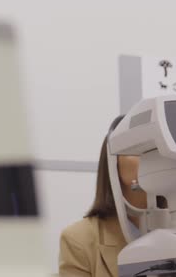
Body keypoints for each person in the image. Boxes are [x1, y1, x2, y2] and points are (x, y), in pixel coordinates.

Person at [59, 115, 146, 277]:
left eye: (154, 150)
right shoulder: (79, 239)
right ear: (112, 163)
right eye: (136, 149)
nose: (150, 158)